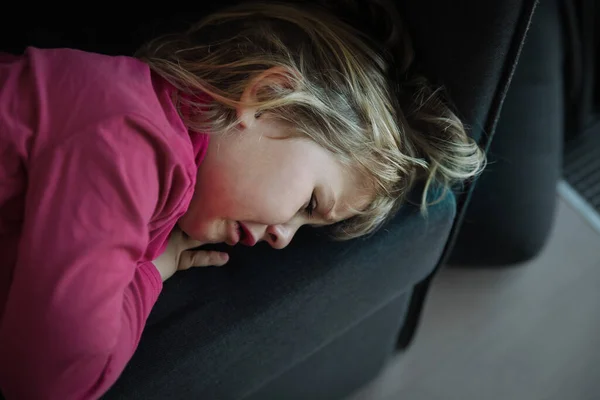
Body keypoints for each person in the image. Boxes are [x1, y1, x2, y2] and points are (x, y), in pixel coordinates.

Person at [0, 1, 485, 398]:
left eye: (304, 228)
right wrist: (152, 273)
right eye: (310, 204)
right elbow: (53, 381)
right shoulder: (129, 137)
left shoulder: (154, 158)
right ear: (267, 98)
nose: (281, 238)